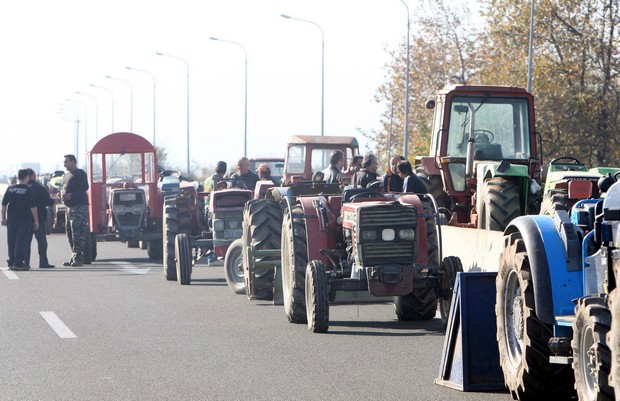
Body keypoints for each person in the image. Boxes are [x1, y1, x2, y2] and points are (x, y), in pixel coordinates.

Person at [1, 169, 39, 270]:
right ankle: (18, 263)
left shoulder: (10, 188)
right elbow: (33, 206)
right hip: (24, 219)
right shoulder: (28, 189)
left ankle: (12, 261)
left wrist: (3, 218)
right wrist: (36, 220)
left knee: (11, 240)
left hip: (12, 219)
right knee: (21, 241)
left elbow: (4, 204)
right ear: (27, 177)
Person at [62, 154, 89, 267]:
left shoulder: (80, 173)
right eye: (64, 162)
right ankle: (74, 256)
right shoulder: (66, 175)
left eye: (67, 162)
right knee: (70, 232)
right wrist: (61, 194)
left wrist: (71, 196)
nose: (64, 164)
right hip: (69, 208)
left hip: (79, 207)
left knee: (78, 233)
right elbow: (64, 189)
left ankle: (79, 257)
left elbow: (84, 187)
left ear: (73, 162)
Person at [25, 169, 55, 268]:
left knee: (26, 242)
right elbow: (47, 201)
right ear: (32, 176)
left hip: (25, 219)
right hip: (40, 217)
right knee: (42, 242)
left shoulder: (23, 188)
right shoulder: (38, 187)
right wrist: (55, 200)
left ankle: (25, 263)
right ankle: (43, 262)